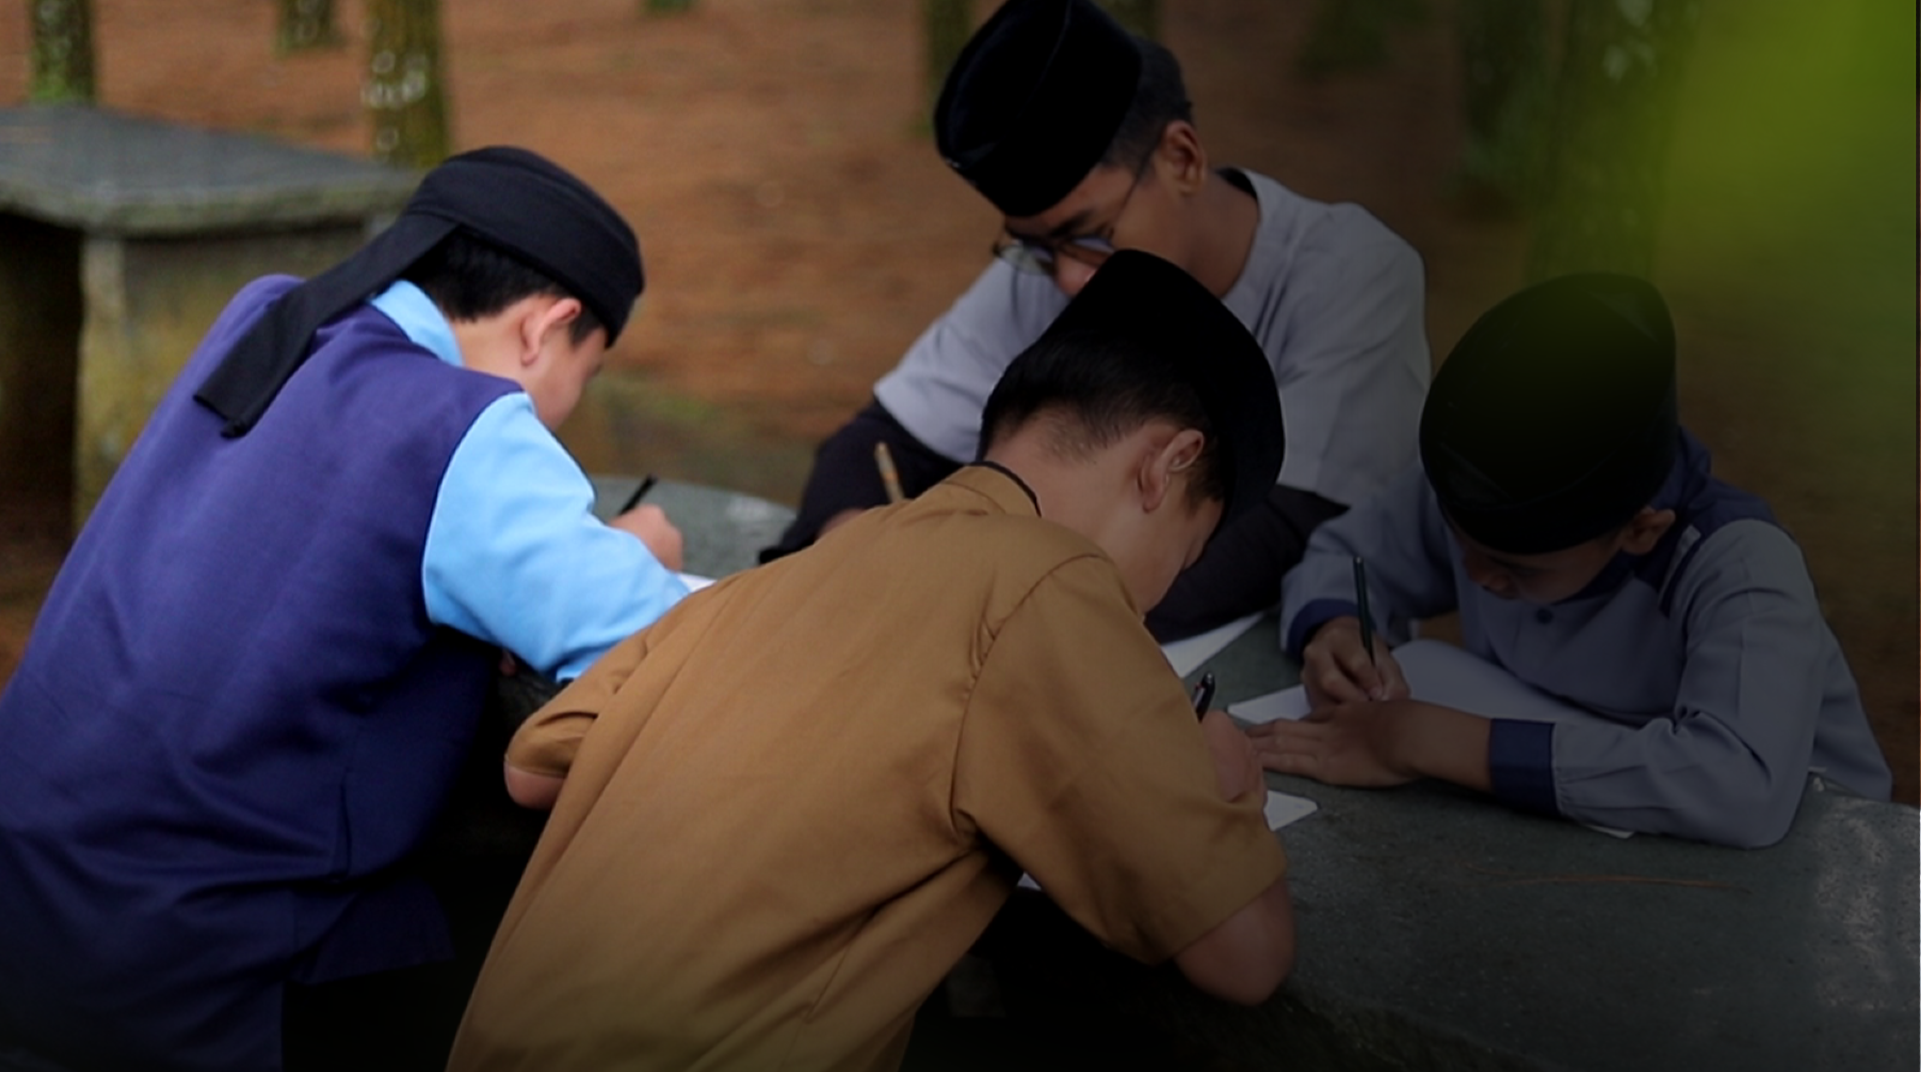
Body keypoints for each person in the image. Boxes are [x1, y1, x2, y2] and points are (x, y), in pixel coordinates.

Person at [443, 250, 1297, 1072]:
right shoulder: (1056, 587)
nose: (1151, 597)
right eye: (1185, 551)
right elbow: (1243, 957)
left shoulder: (796, 569)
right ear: (1167, 463)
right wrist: (1224, 788)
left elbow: (537, 768)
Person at [0, 146, 691, 1071]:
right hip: (189, 968)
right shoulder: (465, 427)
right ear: (546, 328)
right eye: (585, 370)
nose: (566, 406)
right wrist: (639, 549)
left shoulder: (273, 315)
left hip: (34, 890)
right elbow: (647, 652)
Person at [761, 0, 1430, 643]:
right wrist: (847, 544)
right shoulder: (1060, 267)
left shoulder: (1351, 273)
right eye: (1038, 248)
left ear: (1181, 159)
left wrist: (974, 614)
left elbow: (1284, 530)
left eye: (1092, 233)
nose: (1068, 280)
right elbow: (880, 443)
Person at [1250, 272, 1894, 848]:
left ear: (1641, 531)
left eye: (1517, 569)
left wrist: (1435, 742)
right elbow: (1347, 553)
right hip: (1602, 840)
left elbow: (1740, 786)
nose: (1474, 574)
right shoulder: (1489, 492)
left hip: (1817, 865)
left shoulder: (1741, 569)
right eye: (1460, 542)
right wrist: (1334, 628)